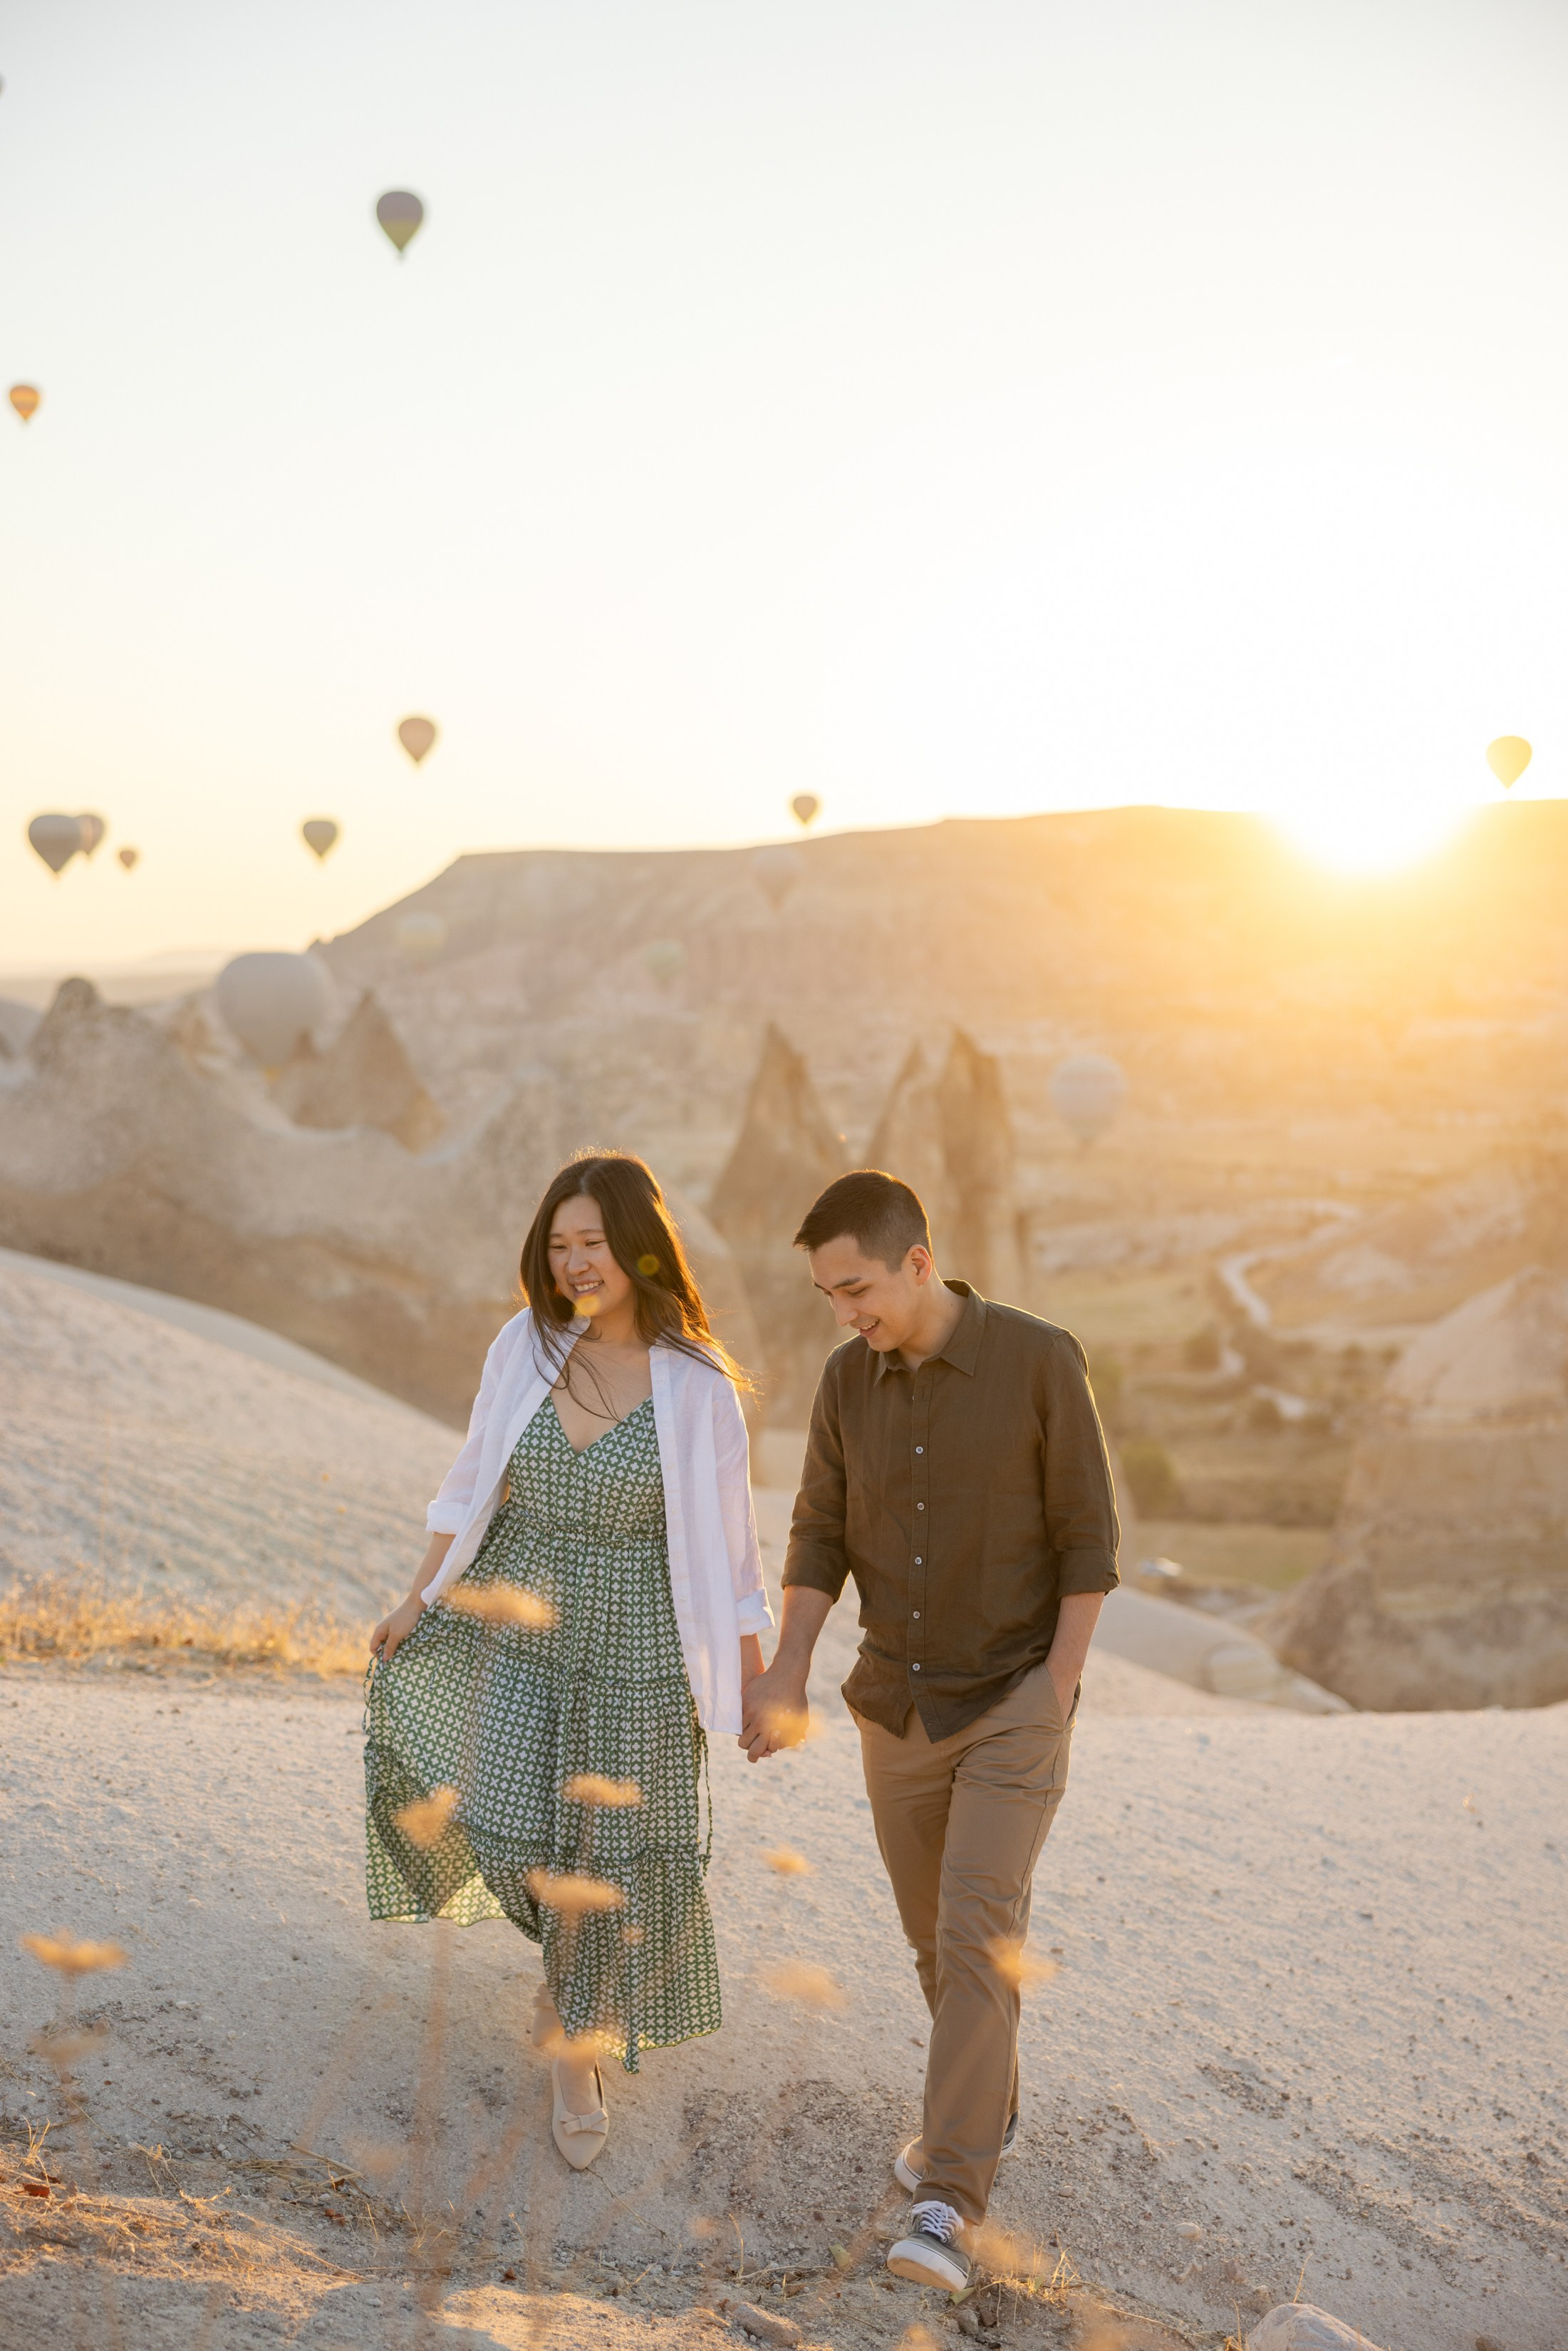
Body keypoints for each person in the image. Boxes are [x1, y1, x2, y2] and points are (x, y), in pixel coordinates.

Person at [739, 1169, 1118, 2293]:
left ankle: (947, 2200)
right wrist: (791, 1670)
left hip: (1011, 1703)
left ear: (917, 1261)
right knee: (935, 1952)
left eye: (855, 1286)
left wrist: (1057, 1686)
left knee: (973, 1940)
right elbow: (815, 1534)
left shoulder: (1038, 1358)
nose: (844, 1311)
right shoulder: (845, 1382)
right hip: (893, 1709)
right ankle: (978, 2114)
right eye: (825, 1294)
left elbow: (1087, 1535)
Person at [365, 1152, 772, 2169]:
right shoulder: (526, 1345)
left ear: (638, 1245)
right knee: (503, 1816)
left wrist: (753, 1678)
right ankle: (565, 1969)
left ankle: (573, 2034)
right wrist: (417, 1595)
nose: (574, 1262)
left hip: (635, 1629)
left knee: (601, 1846)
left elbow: (731, 1549)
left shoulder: (698, 1384)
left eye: (591, 1241)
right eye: (557, 1245)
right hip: (518, 1604)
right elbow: (470, 1481)